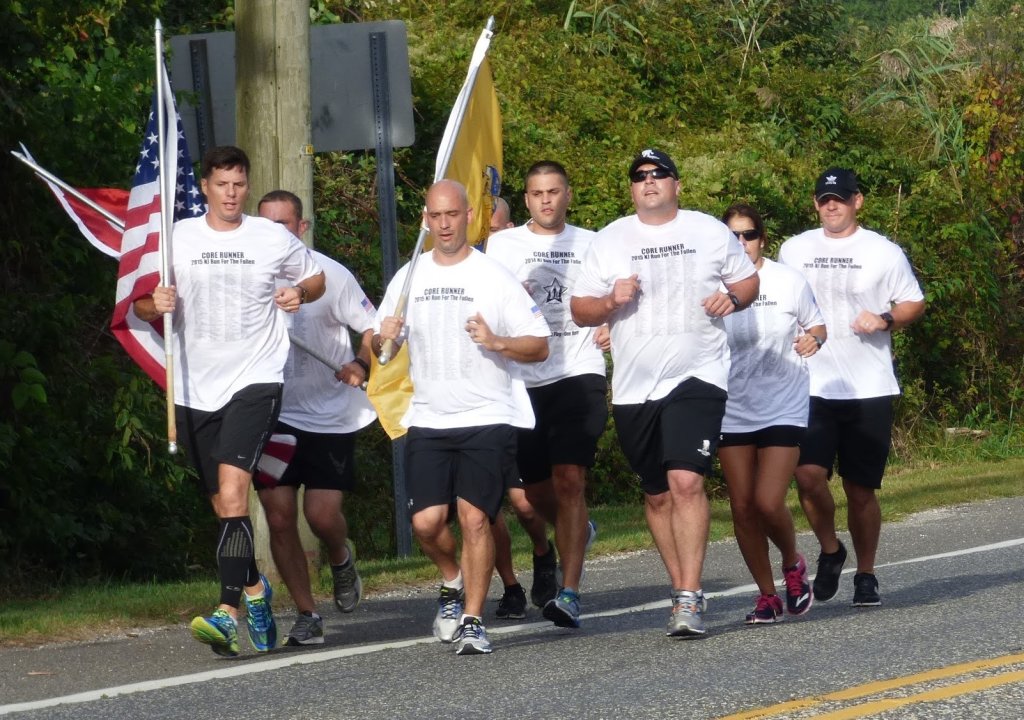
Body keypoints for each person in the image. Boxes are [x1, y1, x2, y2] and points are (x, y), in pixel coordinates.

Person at [134, 146, 326, 657]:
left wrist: (300, 295)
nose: (232, 194)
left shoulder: (270, 236)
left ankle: (227, 612)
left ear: (246, 185)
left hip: (256, 377)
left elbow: (315, 276)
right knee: (223, 506)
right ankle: (257, 588)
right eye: (222, 184)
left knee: (236, 493)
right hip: (196, 384)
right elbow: (137, 299)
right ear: (205, 187)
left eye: (239, 184)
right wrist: (158, 304)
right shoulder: (177, 236)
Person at [570, 148, 759, 637]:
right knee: (656, 495)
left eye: (659, 174)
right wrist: (611, 300)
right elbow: (578, 309)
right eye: (639, 176)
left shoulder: (708, 230)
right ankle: (680, 589)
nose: (649, 181)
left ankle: (690, 596)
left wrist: (733, 297)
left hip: (698, 375)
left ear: (676, 184)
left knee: (686, 482)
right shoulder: (611, 239)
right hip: (635, 385)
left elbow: (747, 280)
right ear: (632, 189)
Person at [373, 179, 550, 655]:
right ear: (426, 220)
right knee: (427, 525)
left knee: (474, 519)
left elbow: (539, 344)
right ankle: (452, 581)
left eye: (452, 214)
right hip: (430, 417)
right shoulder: (410, 277)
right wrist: (382, 336)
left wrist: (497, 342)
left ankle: (473, 619)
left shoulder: (493, 276)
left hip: (487, 414)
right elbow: (380, 350)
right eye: (436, 216)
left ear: (469, 216)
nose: (445, 224)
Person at [778, 167, 925, 607]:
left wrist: (884, 319)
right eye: (824, 199)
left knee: (861, 490)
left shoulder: (883, 251)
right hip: (811, 384)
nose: (831, 205)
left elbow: (913, 302)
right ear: (815, 203)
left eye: (839, 198)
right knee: (807, 477)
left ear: (857, 201)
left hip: (868, 386)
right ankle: (830, 549)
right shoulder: (795, 249)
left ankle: (866, 573)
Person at [486, 160, 606, 628]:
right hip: (525, 376)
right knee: (533, 494)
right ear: (528, 199)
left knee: (570, 479)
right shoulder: (503, 244)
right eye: (536, 194)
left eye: (554, 191)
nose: (546, 200)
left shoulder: (593, 242)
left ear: (567, 194)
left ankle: (570, 592)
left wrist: (612, 324)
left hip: (578, 369)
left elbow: (612, 296)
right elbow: (487, 299)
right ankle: (579, 532)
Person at [254, 190, 377, 646]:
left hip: (330, 415)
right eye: (265, 225)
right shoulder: (251, 275)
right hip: (273, 416)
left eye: (283, 225)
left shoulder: (332, 276)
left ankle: (341, 558)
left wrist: (361, 364)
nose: (274, 234)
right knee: (280, 516)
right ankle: (307, 614)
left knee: (321, 516)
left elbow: (372, 328)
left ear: (301, 229)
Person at [718, 203, 826, 624]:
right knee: (743, 507)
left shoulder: (787, 280)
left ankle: (792, 562)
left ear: (762, 239)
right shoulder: (711, 286)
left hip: (783, 400)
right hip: (731, 405)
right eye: (733, 237)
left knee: (767, 501)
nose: (741, 243)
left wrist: (814, 340)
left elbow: (818, 326)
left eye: (748, 235)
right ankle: (767, 596)